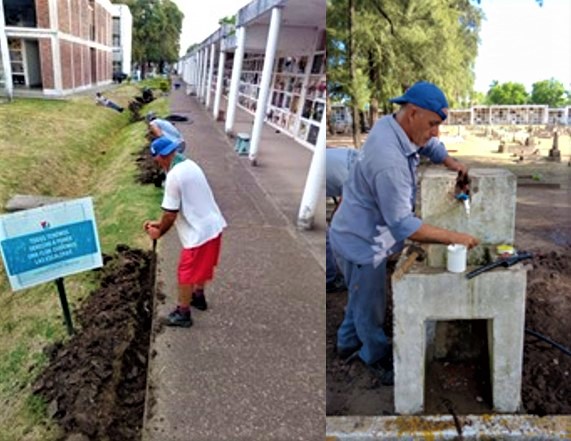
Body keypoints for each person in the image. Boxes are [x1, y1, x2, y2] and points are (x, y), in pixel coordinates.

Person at [329, 81, 479, 385]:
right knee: (370, 307)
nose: (436, 131)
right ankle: (375, 356)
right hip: (363, 244)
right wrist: (458, 238)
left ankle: (345, 344)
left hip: (361, 232)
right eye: (433, 123)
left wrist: (452, 163)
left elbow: (428, 144)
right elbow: (402, 224)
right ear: (412, 113)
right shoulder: (389, 161)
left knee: (358, 296)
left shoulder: (394, 125)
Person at [143, 136, 227, 327]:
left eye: (156, 159)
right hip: (213, 226)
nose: (156, 163)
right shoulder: (190, 165)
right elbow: (181, 205)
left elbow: (170, 215)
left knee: (186, 273)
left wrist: (159, 232)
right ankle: (198, 297)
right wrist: (159, 222)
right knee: (202, 267)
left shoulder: (173, 176)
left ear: (160, 157)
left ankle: (183, 313)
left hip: (199, 233)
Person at [326, 147, 358, 293]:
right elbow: (344, 209)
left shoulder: (358, 156)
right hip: (311, 181)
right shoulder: (356, 177)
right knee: (327, 235)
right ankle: (330, 280)